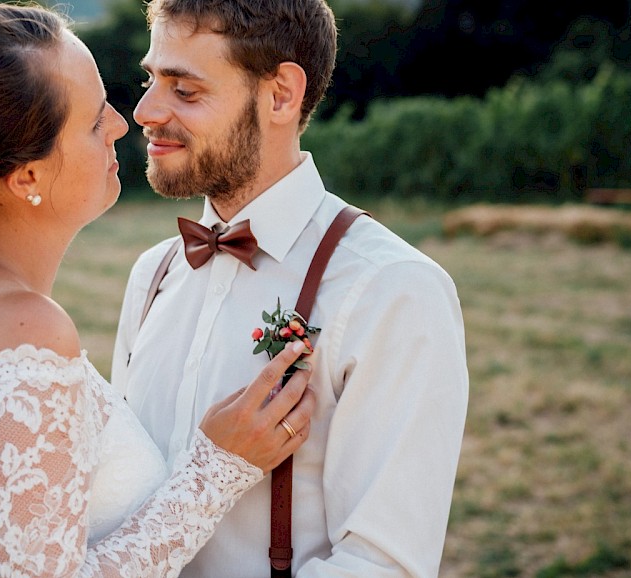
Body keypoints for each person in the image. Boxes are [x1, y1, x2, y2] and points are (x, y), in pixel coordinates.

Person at [0, 3, 320, 577]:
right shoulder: (26, 328)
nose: (124, 122)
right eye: (93, 121)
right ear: (27, 176)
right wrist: (218, 467)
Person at [111, 0, 470, 576]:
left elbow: (380, 566)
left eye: (185, 90)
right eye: (151, 79)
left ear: (280, 94)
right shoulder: (153, 275)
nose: (145, 111)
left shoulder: (393, 290)